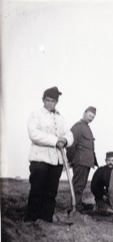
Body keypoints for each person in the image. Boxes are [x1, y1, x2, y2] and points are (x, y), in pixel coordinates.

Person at [26, 86, 74, 222]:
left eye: (53, 101)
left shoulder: (61, 117)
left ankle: (46, 219)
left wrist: (65, 140)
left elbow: (69, 134)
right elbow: (34, 134)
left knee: (51, 192)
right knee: (37, 189)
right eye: (47, 100)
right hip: (40, 158)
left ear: (56, 102)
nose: (49, 103)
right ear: (43, 100)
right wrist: (55, 141)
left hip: (57, 160)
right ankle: (31, 219)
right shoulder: (36, 114)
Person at [66, 106, 98, 210]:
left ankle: (78, 204)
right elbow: (70, 145)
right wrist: (71, 160)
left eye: (93, 117)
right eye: (89, 115)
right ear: (84, 113)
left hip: (86, 162)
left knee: (81, 185)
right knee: (78, 185)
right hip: (80, 161)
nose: (91, 118)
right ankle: (75, 207)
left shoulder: (86, 127)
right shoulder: (78, 127)